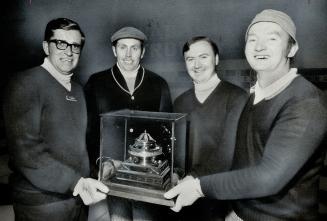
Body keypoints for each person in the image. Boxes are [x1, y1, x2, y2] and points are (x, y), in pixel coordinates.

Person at [165, 9, 327, 221]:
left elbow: (269, 178)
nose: (259, 46)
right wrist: (191, 178)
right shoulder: (248, 98)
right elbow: (223, 156)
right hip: (238, 215)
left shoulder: (306, 101)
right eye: (252, 40)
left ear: (292, 48)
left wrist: (198, 187)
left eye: (272, 38)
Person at [3, 18, 109, 221]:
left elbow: (79, 145)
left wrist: (100, 169)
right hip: (42, 204)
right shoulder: (25, 83)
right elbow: (25, 151)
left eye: (75, 46)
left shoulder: (78, 89)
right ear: (46, 46)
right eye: (61, 43)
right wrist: (76, 182)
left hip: (78, 198)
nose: (69, 52)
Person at [84, 27, 172, 221]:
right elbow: (90, 131)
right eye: (123, 47)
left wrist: (165, 172)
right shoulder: (97, 83)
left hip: (148, 174)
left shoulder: (158, 83)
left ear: (143, 52)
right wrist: (100, 164)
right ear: (114, 50)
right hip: (114, 174)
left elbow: (167, 133)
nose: (128, 54)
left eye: (135, 48)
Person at [172, 36, 248, 220]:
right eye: (190, 59)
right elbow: (176, 150)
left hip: (224, 198)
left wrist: (193, 179)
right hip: (186, 197)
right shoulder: (180, 102)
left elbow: (228, 153)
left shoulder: (238, 97)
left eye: (203, 57)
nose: (196, 64)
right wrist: (174, 174)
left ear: (216, 59)